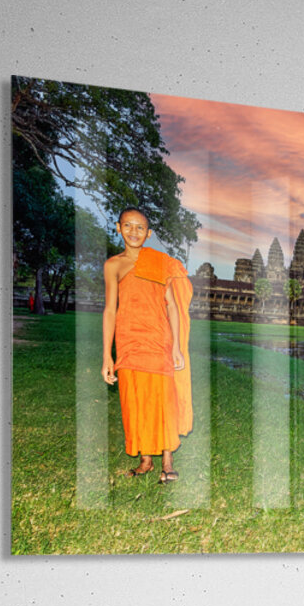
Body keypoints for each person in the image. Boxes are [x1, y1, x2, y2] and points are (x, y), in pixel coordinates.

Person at [102, 207, 193, 483]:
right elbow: (109, 310)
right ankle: (145, 461)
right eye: (128, 226)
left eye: (140, 227)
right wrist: (107, 354)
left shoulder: (159, 262)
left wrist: (176, 346)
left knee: (162, 401)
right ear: (118, 228)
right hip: (129, 341)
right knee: (136, 401)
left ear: (149, 233)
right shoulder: (113, 266)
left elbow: (173, 307)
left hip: (158, 340)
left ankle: (167, 460)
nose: (134, 232)